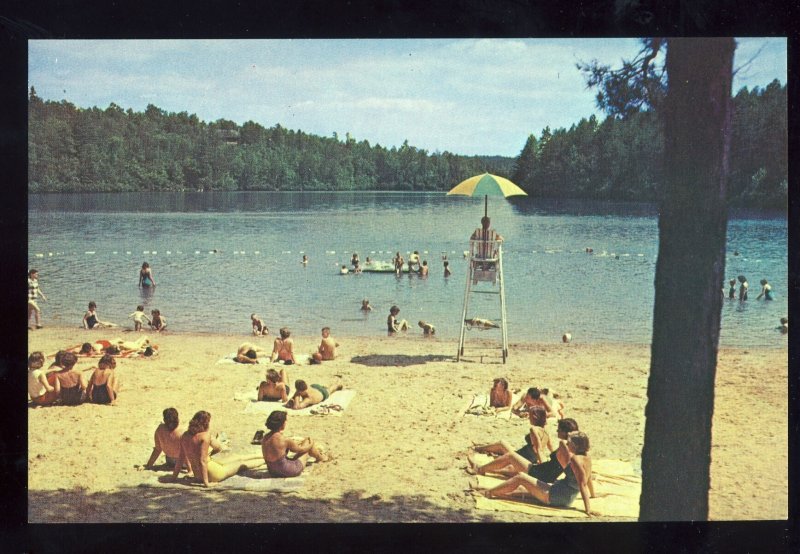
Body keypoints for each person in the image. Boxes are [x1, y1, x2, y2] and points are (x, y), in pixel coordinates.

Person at [475, 431, 597, 517]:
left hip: (557, 495)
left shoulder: (576, 459)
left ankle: (488, 493)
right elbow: (588, 479)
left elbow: (582, 484)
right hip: (564, 495)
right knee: (523, 488)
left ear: (574, 446)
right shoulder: (587, 458)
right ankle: (489, 489)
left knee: (520, 478)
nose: (567, 443)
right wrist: (593, 496)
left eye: (569, 442)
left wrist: (588, 509)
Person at [171, 411, 263, 487]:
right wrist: (206, 483)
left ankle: (262, 456)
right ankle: (265, 460)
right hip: (212, 473)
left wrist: (174, 477)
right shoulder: (204, 436)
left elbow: (181, 458)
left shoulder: (185, 436)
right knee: (240, 464)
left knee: (237, 457)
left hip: (198, 474)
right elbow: (203, 460)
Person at [472, 418, 580, 483]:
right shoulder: (574, 448)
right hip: (546, 474)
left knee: (510, 456)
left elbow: (539, 450)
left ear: (565, 432)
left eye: (559, 429)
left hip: (541, 474)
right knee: (511, 466)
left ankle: (479, 469)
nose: (557, 430)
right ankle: (486, 469)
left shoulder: (564, 446)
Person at [470, 406, 554, 473]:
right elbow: (551, 449)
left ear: (535, 417)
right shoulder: (546, 432)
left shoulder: (534, 429)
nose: (528, 417)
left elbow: (538, 449)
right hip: (526, 456)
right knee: (501, 443)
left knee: (506, 462)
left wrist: (543, 468)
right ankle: (479, 448)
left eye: (530, 415)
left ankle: (479, 469)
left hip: (522, 458)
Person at [142, 408, 226, 470]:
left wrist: (149, 465)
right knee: (208, 440)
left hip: (170, 461)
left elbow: (157, 449)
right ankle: (218, 440)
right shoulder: (182, 433)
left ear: (164, 420)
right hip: (185, 463)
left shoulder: (160, 429)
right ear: (177, 419)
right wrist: (190, 470)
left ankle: (217, 439)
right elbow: (185, 454)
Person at [261, 411, 330, 477]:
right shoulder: (284, 440)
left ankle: (320, 457)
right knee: (308, 442)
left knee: (305, 444)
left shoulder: (265, 438)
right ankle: (321, 458)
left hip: (273, 472)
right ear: (282, 424)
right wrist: (311, 443)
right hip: (289, 471)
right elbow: (301, 450)